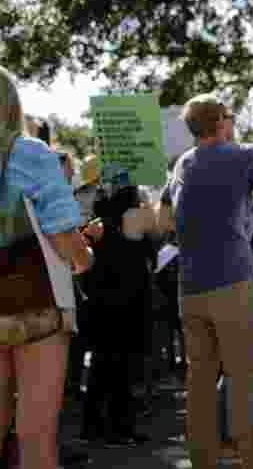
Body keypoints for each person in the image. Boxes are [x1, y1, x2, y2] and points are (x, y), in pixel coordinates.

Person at [0, 64, 97, 469]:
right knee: (36, 433)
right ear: (8, 103)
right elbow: (64, 234)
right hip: (36, 300)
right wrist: (85, 259)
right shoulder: (29, 152)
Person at [157, 94, 253, 469]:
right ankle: (250, 462)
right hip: (231, 287)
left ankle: (203, 462)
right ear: (221, 122)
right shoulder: (240, 155)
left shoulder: (182, 164)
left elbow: (164, 222)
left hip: (189, 290)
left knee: (199, 385)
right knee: (242, 383)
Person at [78, 185, 160, 448]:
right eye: (139, 202)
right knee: (110, 369)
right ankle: (105, 426)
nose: (144, 206)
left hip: (122, 309)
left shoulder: (121, 232)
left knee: (118, 371)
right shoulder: (105, 231)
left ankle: (115, 425)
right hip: (114, 310)